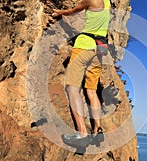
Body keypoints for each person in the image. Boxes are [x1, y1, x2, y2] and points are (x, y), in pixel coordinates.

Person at [52, 0, 111, 148]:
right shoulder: (107, 3)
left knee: (72, 88)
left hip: (84, 46)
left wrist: (59, 13)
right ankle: (97, 130)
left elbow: (72, 11)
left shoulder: (90, 0)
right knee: (91, 91)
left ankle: (82, 133)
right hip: (100, 50)